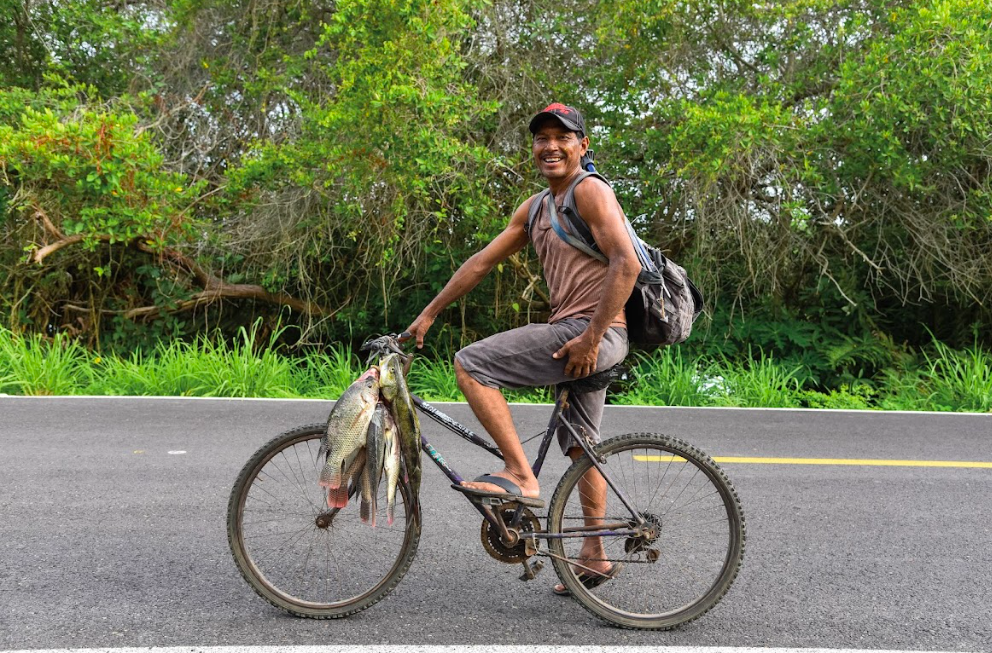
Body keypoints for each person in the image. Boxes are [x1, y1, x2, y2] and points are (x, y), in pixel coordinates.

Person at [401, 103, 640, 592]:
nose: (550, 146)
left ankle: (519, 474)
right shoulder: (535, 208)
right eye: (541, 139)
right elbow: (481, 263)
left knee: (471, 364)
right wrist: (429, 311)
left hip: (592, 332)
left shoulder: (590, 192)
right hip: (587, 338)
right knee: (580, 446)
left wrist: (591, 336)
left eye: (562, 137)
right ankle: (594, 555)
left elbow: (627, 263)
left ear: (582, 146)